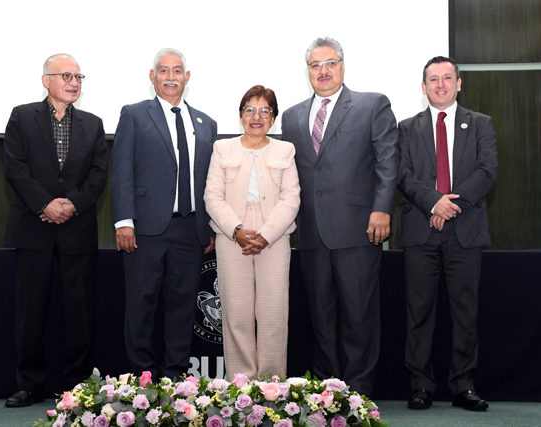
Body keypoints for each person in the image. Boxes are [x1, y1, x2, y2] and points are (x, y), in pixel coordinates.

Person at [281, 37, 399, 396]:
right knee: (321, 316)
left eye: (330, 63)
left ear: (342, 67)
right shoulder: (291, 116)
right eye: (316, 65)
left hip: (359, 229)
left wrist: (381, 208)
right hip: (312, 232)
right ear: (308, 72)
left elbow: (388, 161)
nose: (323, 71)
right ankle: (327, 393)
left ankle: (358, 393)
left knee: (359, 315)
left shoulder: (371, 105)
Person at [3, 54, 108, 407]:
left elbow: (98, 174)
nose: (74, 81)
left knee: (80, 312)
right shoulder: (21, 116)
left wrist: (71, 205)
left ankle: (77, 387)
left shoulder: (93, 124)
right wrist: (45, 204)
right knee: (30, 312)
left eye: (79, 76)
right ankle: (29, 384)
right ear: (45, 80)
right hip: (33, 227)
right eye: (66, 75)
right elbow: (14, 168)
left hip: (77, 229)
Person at [396, 56, 497, 411]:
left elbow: (487, 172)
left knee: (464, 311)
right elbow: (403, 175)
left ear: (458, 83)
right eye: (433, 79)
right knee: (418, 312)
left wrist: (450, 205)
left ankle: (463, 385)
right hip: (420, 232)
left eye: (447, 78)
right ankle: (421, 385)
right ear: (423, 87)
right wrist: (433, 203)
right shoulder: (407, 128)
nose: (441, 84)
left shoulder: (480, 124)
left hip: (464, 230)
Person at [111, 48, 217, 381]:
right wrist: (124, 220)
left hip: (191, 230)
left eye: (177, 70)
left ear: (187, 77)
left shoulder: (207, 123)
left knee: (183, 307)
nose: (170, 76)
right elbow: (122, 171)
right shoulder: (134, 115)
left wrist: (209, 227)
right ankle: (141, 378)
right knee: (141, 306)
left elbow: (209, 180)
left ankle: (174, 378)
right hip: (144, 229)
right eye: (163, 70)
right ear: (152, 76)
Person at [204, 85, 300, 380]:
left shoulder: (285, 150)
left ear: (273, 119)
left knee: (273, 314)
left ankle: (273, 385)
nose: (256, 116)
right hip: (232, 233)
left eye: (264, 111)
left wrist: (266, 235)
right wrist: (237, 230)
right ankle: (242, 383)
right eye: (249, 110)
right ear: (240, 116)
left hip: (274, 236)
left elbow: (291, 197)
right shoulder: (223, 149)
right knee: (237, 315)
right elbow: (212, 196)